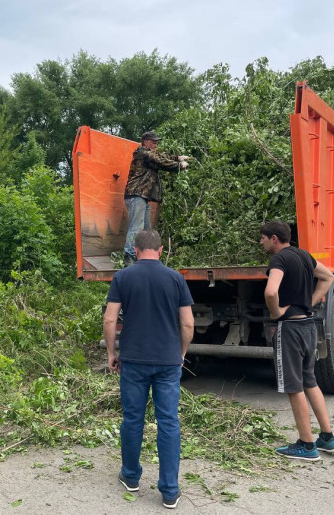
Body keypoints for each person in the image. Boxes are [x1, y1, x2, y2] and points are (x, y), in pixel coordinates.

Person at [103, 229, 194, 509]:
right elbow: (188, 324)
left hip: (134, 360)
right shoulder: (176, 278)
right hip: (168, 362)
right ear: (161, 249)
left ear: (135, 248)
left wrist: (111, 352)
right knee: (168, 422)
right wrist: (180, 353)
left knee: (133, 419)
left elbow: (109, 319)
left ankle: (131, 477)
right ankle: (169, 490)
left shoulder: (123, 277)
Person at [259, 220, 334, 461]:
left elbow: (271, 291)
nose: (260, 242)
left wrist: (276, 313)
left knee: (293, 386)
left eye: (263, 238)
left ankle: (306, 445)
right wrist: (311, 302)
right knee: (309, 380)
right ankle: (327, 437)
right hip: (308, 325)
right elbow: (328, 277)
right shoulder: (304, 256)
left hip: (291, 328)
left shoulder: (279, 260)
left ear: (274, 238)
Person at [123, 131, 189, 266]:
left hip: (143, 197)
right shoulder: (144, 154)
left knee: (146, 231)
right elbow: (160, 160)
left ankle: (144, 258)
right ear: (145, 141)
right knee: (136, 228)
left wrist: (178, 157)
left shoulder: (149, 153)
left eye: (156, 143)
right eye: (153, 142)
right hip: (136, 195)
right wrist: (179, 166)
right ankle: (129, 258)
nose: (156, 145)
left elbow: (162, 156)